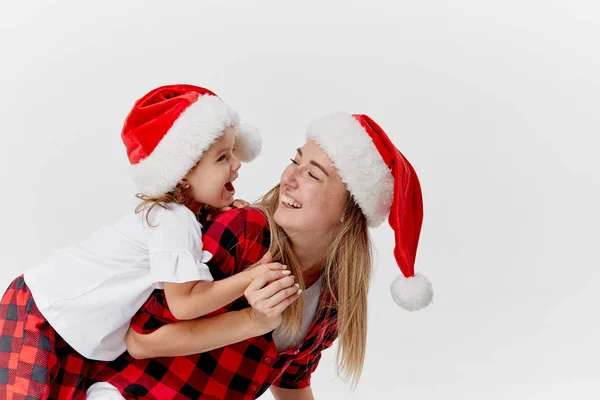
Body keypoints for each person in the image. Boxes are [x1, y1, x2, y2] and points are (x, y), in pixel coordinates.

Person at [85, 112, 434, 399]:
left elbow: (291, 380)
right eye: (294, 162)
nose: (289, 179)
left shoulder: (335, 296)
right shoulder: (244, 230)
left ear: (349, 209)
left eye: (312, 174)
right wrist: (252, 321)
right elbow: (141, 340)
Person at [0, 84, 288, 400]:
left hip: (75, 334)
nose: (236, 164)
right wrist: (248, 277)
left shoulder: (185, 217)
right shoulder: (172, 219)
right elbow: (185, 304)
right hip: (43, 312)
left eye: (233, 152)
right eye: (222, 157)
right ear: (183, 174)